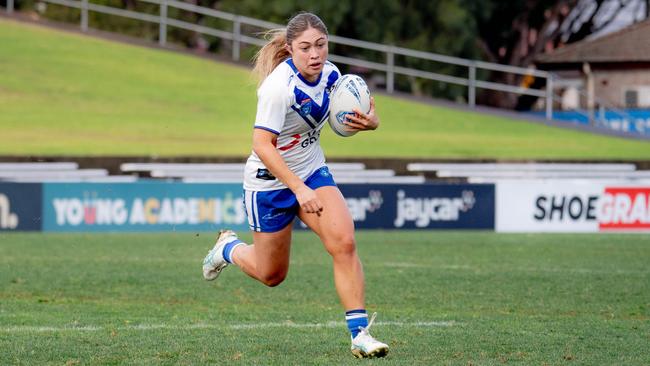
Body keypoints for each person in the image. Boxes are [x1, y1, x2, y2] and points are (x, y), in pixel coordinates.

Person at [202, 12, 388, 359]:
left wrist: (370, 122)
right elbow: (261, 145)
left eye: (321, 45)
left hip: (312, 169)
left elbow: (335, 119)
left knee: (344, 241)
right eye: (305, 48)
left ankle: (359, 334)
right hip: (269, 183)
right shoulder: (277, 88)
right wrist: (299, 190)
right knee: (272, 275)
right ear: (290, 49)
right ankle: (227, 248)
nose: (315, 54)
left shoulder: (333, 76)